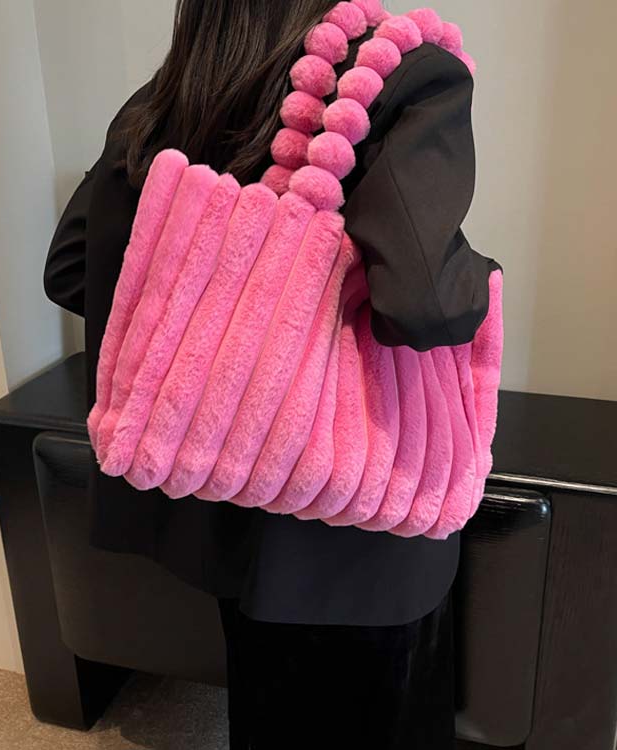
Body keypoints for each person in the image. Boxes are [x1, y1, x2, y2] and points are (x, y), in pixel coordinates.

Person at [44, 1, 498, 747]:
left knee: (268, 715)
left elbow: (70, 269)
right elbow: (423, 303)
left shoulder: (176, 92)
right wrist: (480, 277)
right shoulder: (405, 76)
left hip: (220, 503)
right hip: (354, 529)